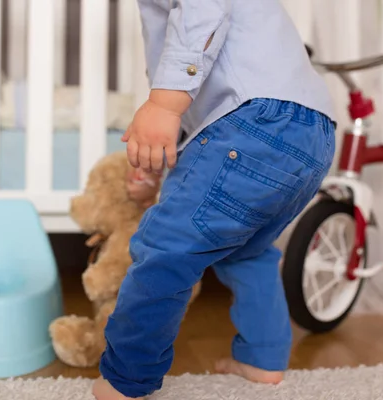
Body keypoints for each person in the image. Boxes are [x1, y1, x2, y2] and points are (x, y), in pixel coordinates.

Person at [93, 1, 336, 399]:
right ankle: (262, 357)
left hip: (253, 120)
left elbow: (202, 15)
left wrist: (162, 105)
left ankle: (126, 378)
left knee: (166, 247)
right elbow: (203, 98)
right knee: (249, 251)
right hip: (314, 134)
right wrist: (157, 161)